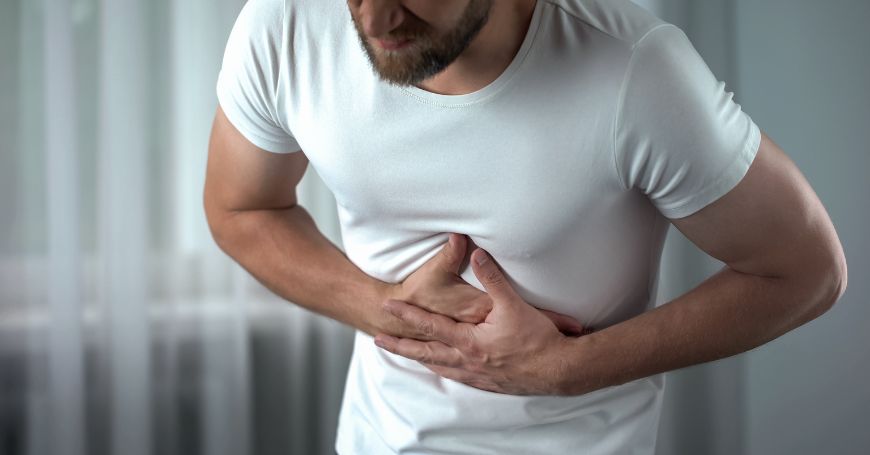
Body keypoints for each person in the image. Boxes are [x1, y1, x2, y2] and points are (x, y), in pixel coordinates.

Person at [204, 0, 848, 453]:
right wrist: (383, 309)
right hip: (377, 441)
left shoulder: (635, 70)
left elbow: (807, 270)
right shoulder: (285, 22)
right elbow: (243, 208)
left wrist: (567, 368)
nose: (374, 20)